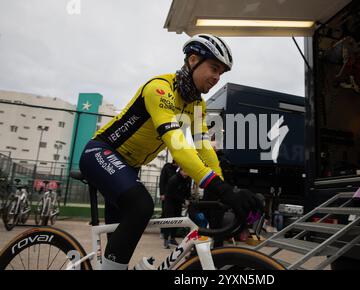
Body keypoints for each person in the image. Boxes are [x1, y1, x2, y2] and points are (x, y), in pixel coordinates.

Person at [79, 34, 262, 270]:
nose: (217, 77)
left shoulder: (196, 105)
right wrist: (221, 189)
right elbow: (177, 143)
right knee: (142, 206)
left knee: (116, 251)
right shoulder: (160, 89)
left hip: (128, 167)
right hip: (100, 152)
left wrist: (226, 191)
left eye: (222, 73)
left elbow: (203, 147)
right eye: (214, 68)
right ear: (193, 60)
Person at [162, 168, 192, 249]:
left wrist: (188, 199)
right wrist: (183, 201)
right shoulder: (174, 179)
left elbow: (187, 191)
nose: (186, 173)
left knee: (177, 220)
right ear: (180, 171)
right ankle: (165, 239)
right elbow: (172, 194)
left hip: (178, 202)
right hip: (170, 201)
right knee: (169, 220)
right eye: (185, 171)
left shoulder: (189, 179)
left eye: (188, 172)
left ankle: (172, 238)